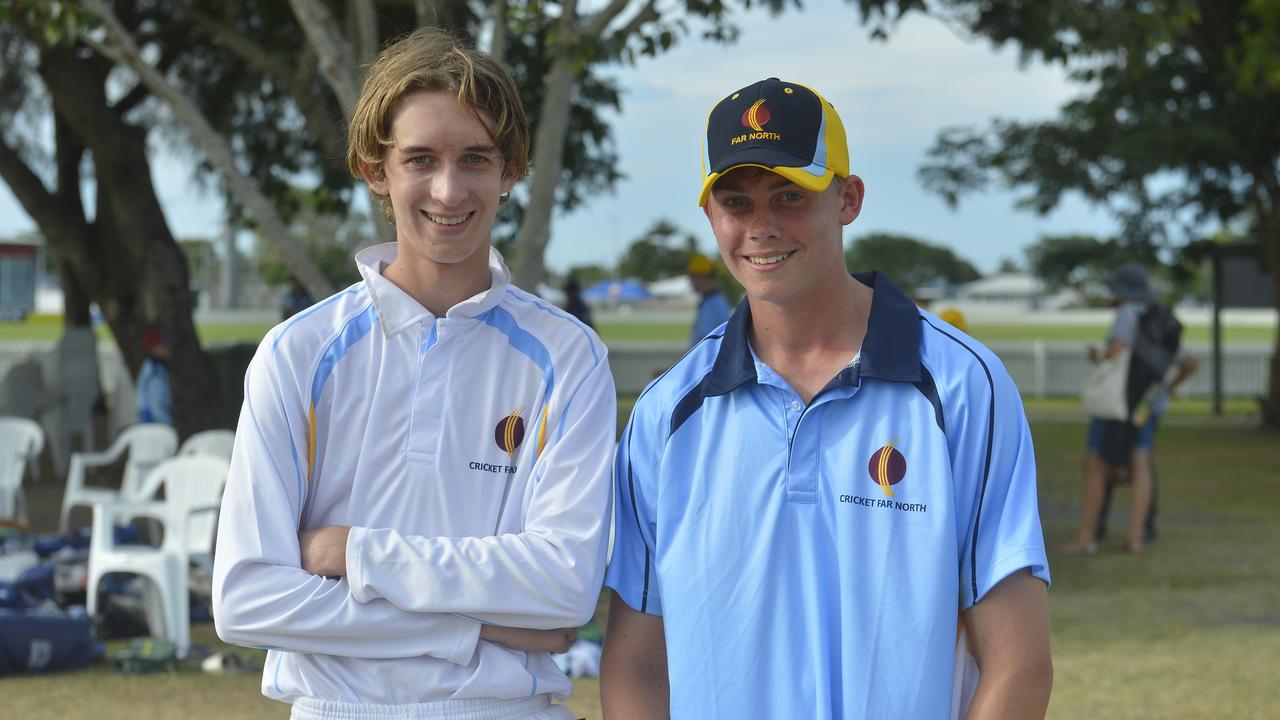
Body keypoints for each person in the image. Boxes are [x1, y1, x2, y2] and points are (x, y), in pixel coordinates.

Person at [600, 78, 1052, 719]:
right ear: (710, 216)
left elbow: (1017, 665)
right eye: (737, 201)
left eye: (790, 197)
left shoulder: (959, 386)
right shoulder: (668, 411)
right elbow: (637, 663)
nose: (761, 227)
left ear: (849, 197)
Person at [212, 28, 616, 720]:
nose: (448, 190)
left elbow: (565, 590)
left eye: (475, 159)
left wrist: (355, 552)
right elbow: (246, 599)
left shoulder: (569, 356)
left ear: (510, 171)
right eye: (420, 159)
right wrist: (472, 626)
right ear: (376, 170)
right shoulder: (298, 352)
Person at [1062, 263, 1196, 554]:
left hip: (1118, 402)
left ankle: (1086, 537)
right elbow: (1189, 362)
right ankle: (1136, 536)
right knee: (1141, 462)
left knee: (1094, 462)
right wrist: (1168, 389)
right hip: (1147, 403)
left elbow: (1116, 350)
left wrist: (1097, 354)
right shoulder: (1164, 319)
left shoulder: (1127, 314)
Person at [686, 254, 732, 345]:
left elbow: (703, 342)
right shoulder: (713, 301)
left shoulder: (712, 305)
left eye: (692, 276)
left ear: (701, 276)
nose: (690, 280)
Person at [136, 328, 173, 426]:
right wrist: (167, 426)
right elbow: (157, 405)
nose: (169, 348)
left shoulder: (155, 368)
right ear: (154, 348)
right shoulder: (154, 372)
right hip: (156, 425)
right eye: (165, 345)